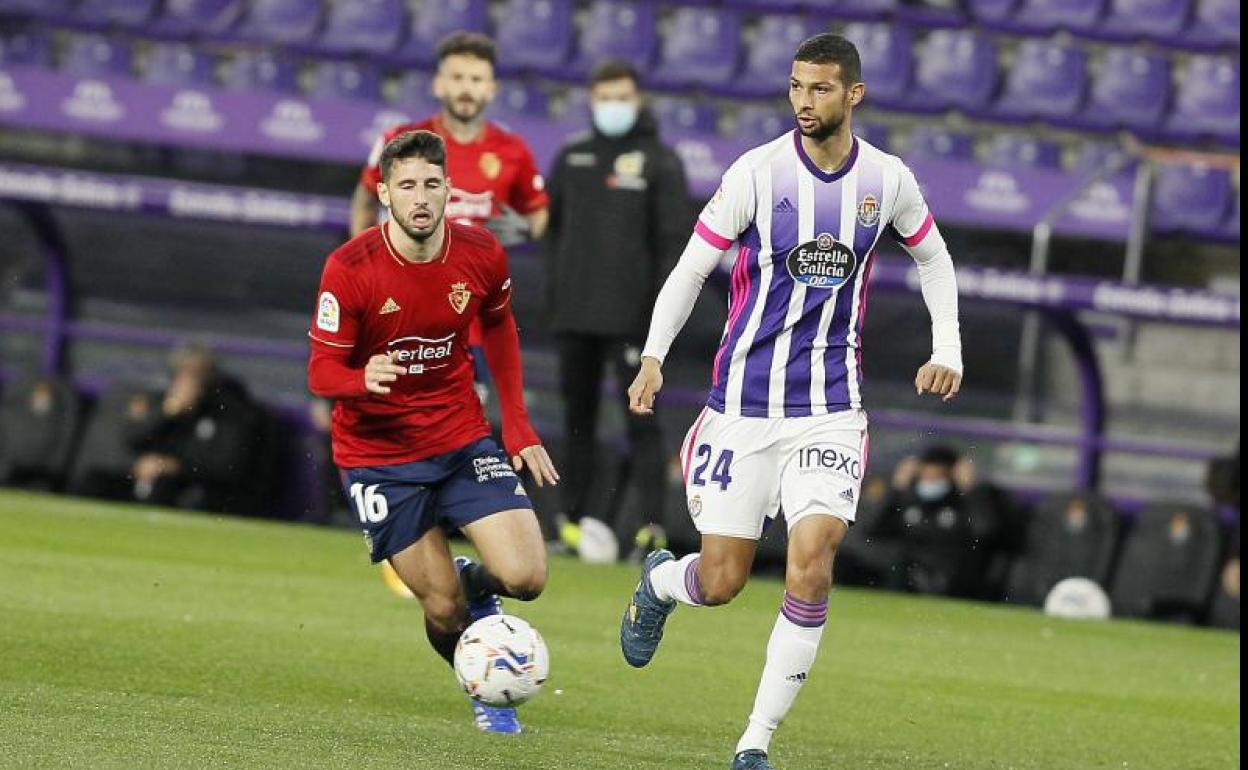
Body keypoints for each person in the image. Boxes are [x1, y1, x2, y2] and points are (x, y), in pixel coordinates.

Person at [617, 34, 964, 770]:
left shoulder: (888, 179)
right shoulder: (757, 173)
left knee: (812, 561)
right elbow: (689, 269)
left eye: (821, 88)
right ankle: (659, 584)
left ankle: (754, 743)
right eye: (797, 87)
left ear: (854, 94)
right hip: (742, 407)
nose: (804, 101)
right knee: (722, 581)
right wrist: (653, 355)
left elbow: (932, 256)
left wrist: (948, 346)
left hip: (832, 409)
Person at [309, 130, 559, 734]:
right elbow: (320, 371)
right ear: (384, 193)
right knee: (443, 608)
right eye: (406, 186)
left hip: (459, 438)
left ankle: (478, 577)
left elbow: (499, 327)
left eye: (430, 184)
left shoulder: (481, 254)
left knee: (527, 578)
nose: (419, 197)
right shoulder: (350, 268)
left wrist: (518, 423)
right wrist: (358, 376)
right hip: (377, 459)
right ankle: (482, 689)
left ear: (449, 188)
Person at [544, 60, 691, 561]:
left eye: (622, 96)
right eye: (605, 96)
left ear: (639, 99)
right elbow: (552, 231)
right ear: (591, 99)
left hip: (634, 321)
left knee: (643, 422)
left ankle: (652, 530)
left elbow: (676, 247)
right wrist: (559, 295)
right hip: (575, 314)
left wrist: (656, 320)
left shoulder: (661, 162)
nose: (613, 106)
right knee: (576, 421)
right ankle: (569, 523)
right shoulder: (572, 156)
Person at [841, 445, 1000, 598]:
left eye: (937, 475)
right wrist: (897, 490)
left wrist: (970, 491)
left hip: (949, 579)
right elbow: (876, 530)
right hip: (904, 575)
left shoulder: (962, 502)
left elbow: (983, 533)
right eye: (926, 473)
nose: (930, 480)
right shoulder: (909, 500)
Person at [126, 343, 264, 514]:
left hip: (204, 488)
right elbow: (132, 439)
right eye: (184, 372)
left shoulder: (230, 411)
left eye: (197, 374)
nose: (189, 381)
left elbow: (228, 465)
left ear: (210, 376)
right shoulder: (162, 402)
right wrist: (167, 414)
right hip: (156, 478)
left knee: (183, 493)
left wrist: (174, 466)